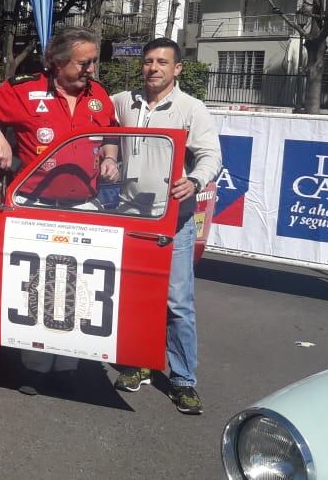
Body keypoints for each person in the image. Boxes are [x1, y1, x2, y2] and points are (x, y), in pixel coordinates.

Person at [0, 26, 120, 394]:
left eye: (94, 61)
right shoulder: (26, 90)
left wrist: (110, 157)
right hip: (36, 206)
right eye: (84, 63)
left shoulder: (99, 96)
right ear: (57, 62)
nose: (91, 70)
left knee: (79, 287)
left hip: (84, 206)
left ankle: (68, 366)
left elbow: (111, 133)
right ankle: (33, 368)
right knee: (39, 286)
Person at [110, 38, 222, 415]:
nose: (153, 68)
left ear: (177, 69)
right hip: (130, 217)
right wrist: (107, 157)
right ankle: (139, 362)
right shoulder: (123, 101)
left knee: (177, 303)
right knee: (135, 296)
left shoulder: (192, 109)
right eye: (148, 62)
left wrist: (196, 181)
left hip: (174, 220)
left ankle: (183, 380)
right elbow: (104, 133)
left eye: (162, 62)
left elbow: (211, 156)